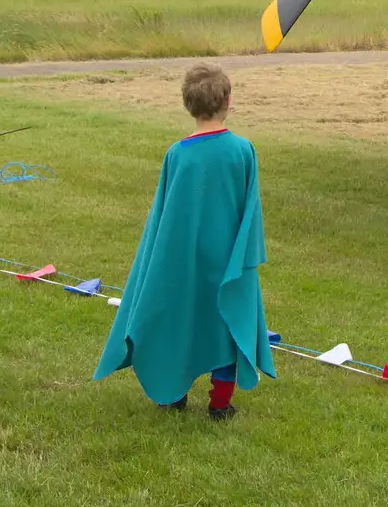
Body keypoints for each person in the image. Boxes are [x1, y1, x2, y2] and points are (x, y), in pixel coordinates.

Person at [93, 61, 275, 419]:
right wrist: (246, 256)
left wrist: (159, 261)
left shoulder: (178, 154)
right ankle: (219, 405)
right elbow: (249, 211)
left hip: (182, 260)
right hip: (227, 260)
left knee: (178, 319)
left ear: (187, 105)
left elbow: (163, 218)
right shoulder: (242, 150)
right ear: (228, 101)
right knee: (226, 326)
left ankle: (172, 394)